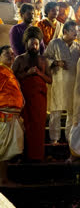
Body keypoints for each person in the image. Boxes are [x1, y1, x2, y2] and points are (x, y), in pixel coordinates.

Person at [12, 26, 52, 162]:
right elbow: (12, 78)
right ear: (26, 43)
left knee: (38, 128)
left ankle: (37, 156)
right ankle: (22, 155)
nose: (34, 46)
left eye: (36, 43)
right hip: (24, 100)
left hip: (39, 101)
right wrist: (27, 74)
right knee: (25, 127)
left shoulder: (43, 60)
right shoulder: (19, 59)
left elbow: (50, 80)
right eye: (32, 43)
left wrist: (39, 73)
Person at [44, 21, 80, 144]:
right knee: (56, 111)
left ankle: (70, 137)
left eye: (76, 30)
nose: (76, 33)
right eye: (73, 30)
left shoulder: (78, 47)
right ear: (65, 31)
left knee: (72, 112)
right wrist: (56, 63)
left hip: (74, 85)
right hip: (58, 83)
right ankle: (54, 138)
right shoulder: (54, 43)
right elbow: (45, 59)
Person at [0, 45, 24, 185]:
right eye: (6, 54)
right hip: (3, 115)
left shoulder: (8, 72)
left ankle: (3, 178)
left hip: (12, 115)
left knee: (7, 150)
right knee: (2, 149)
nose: (11, 56)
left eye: (12, 54)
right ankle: (1, 179)